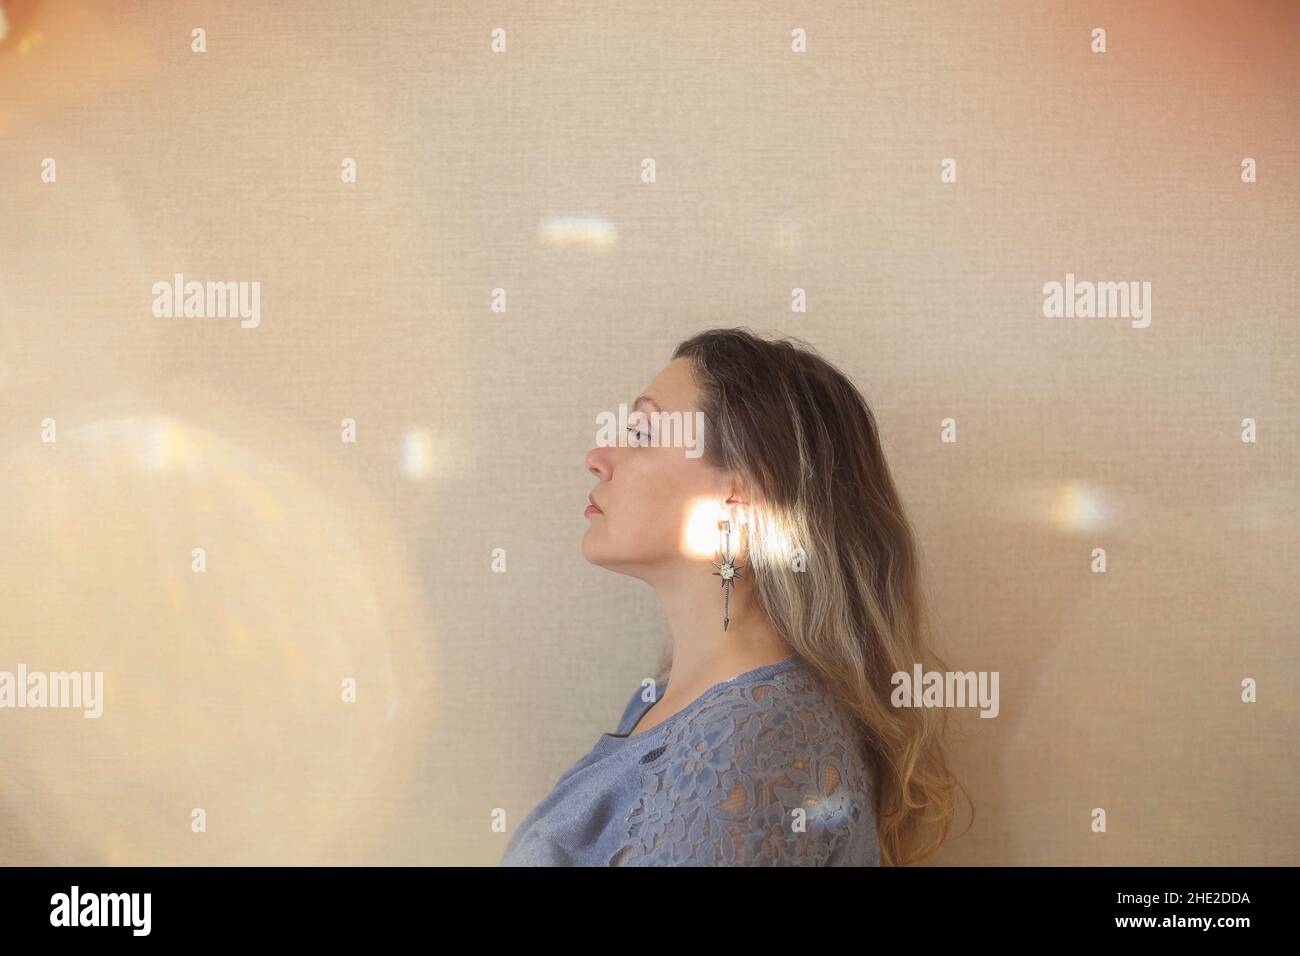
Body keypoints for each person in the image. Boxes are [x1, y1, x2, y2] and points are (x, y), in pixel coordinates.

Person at [500, 328, 965, 866]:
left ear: (737, 498)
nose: (598, 457)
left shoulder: (752, 746)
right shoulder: (674, 704)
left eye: (641, 433)